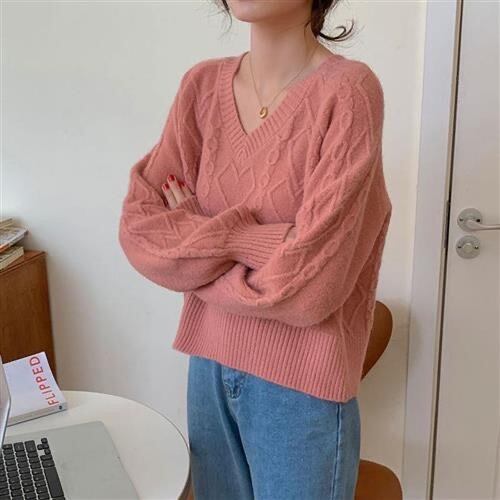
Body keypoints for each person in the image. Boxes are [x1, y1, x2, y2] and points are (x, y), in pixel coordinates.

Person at [118, 0, 392, 498]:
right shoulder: (201, 87)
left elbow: (312, 289)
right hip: (207, 370)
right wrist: (251, 240)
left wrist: (196, 235)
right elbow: (141, 233)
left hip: (301, 389)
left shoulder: (349, 92)